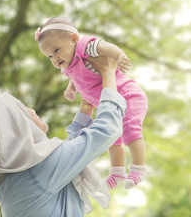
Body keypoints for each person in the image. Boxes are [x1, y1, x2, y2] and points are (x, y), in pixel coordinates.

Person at [0, 54, 127, 216]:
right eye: (23, 108)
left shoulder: (12, 181)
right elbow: (106, 130)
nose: (31, 110)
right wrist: (108, 72)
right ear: (14, 125)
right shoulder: (38, 172)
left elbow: (68, 154)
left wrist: (86, 107)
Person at [35, 16, 148, 190]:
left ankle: (138, 168)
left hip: (128, 95)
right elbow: (77, 77)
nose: (55, 58)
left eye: (57, 50)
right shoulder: (67, 66)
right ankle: (117, 172)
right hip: (112, 103)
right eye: (49, 56)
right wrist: (71, 89)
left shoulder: (84, 47)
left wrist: (119, 55)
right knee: (112, 138)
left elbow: (104, 46)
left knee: (129, 130)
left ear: (73, 39)